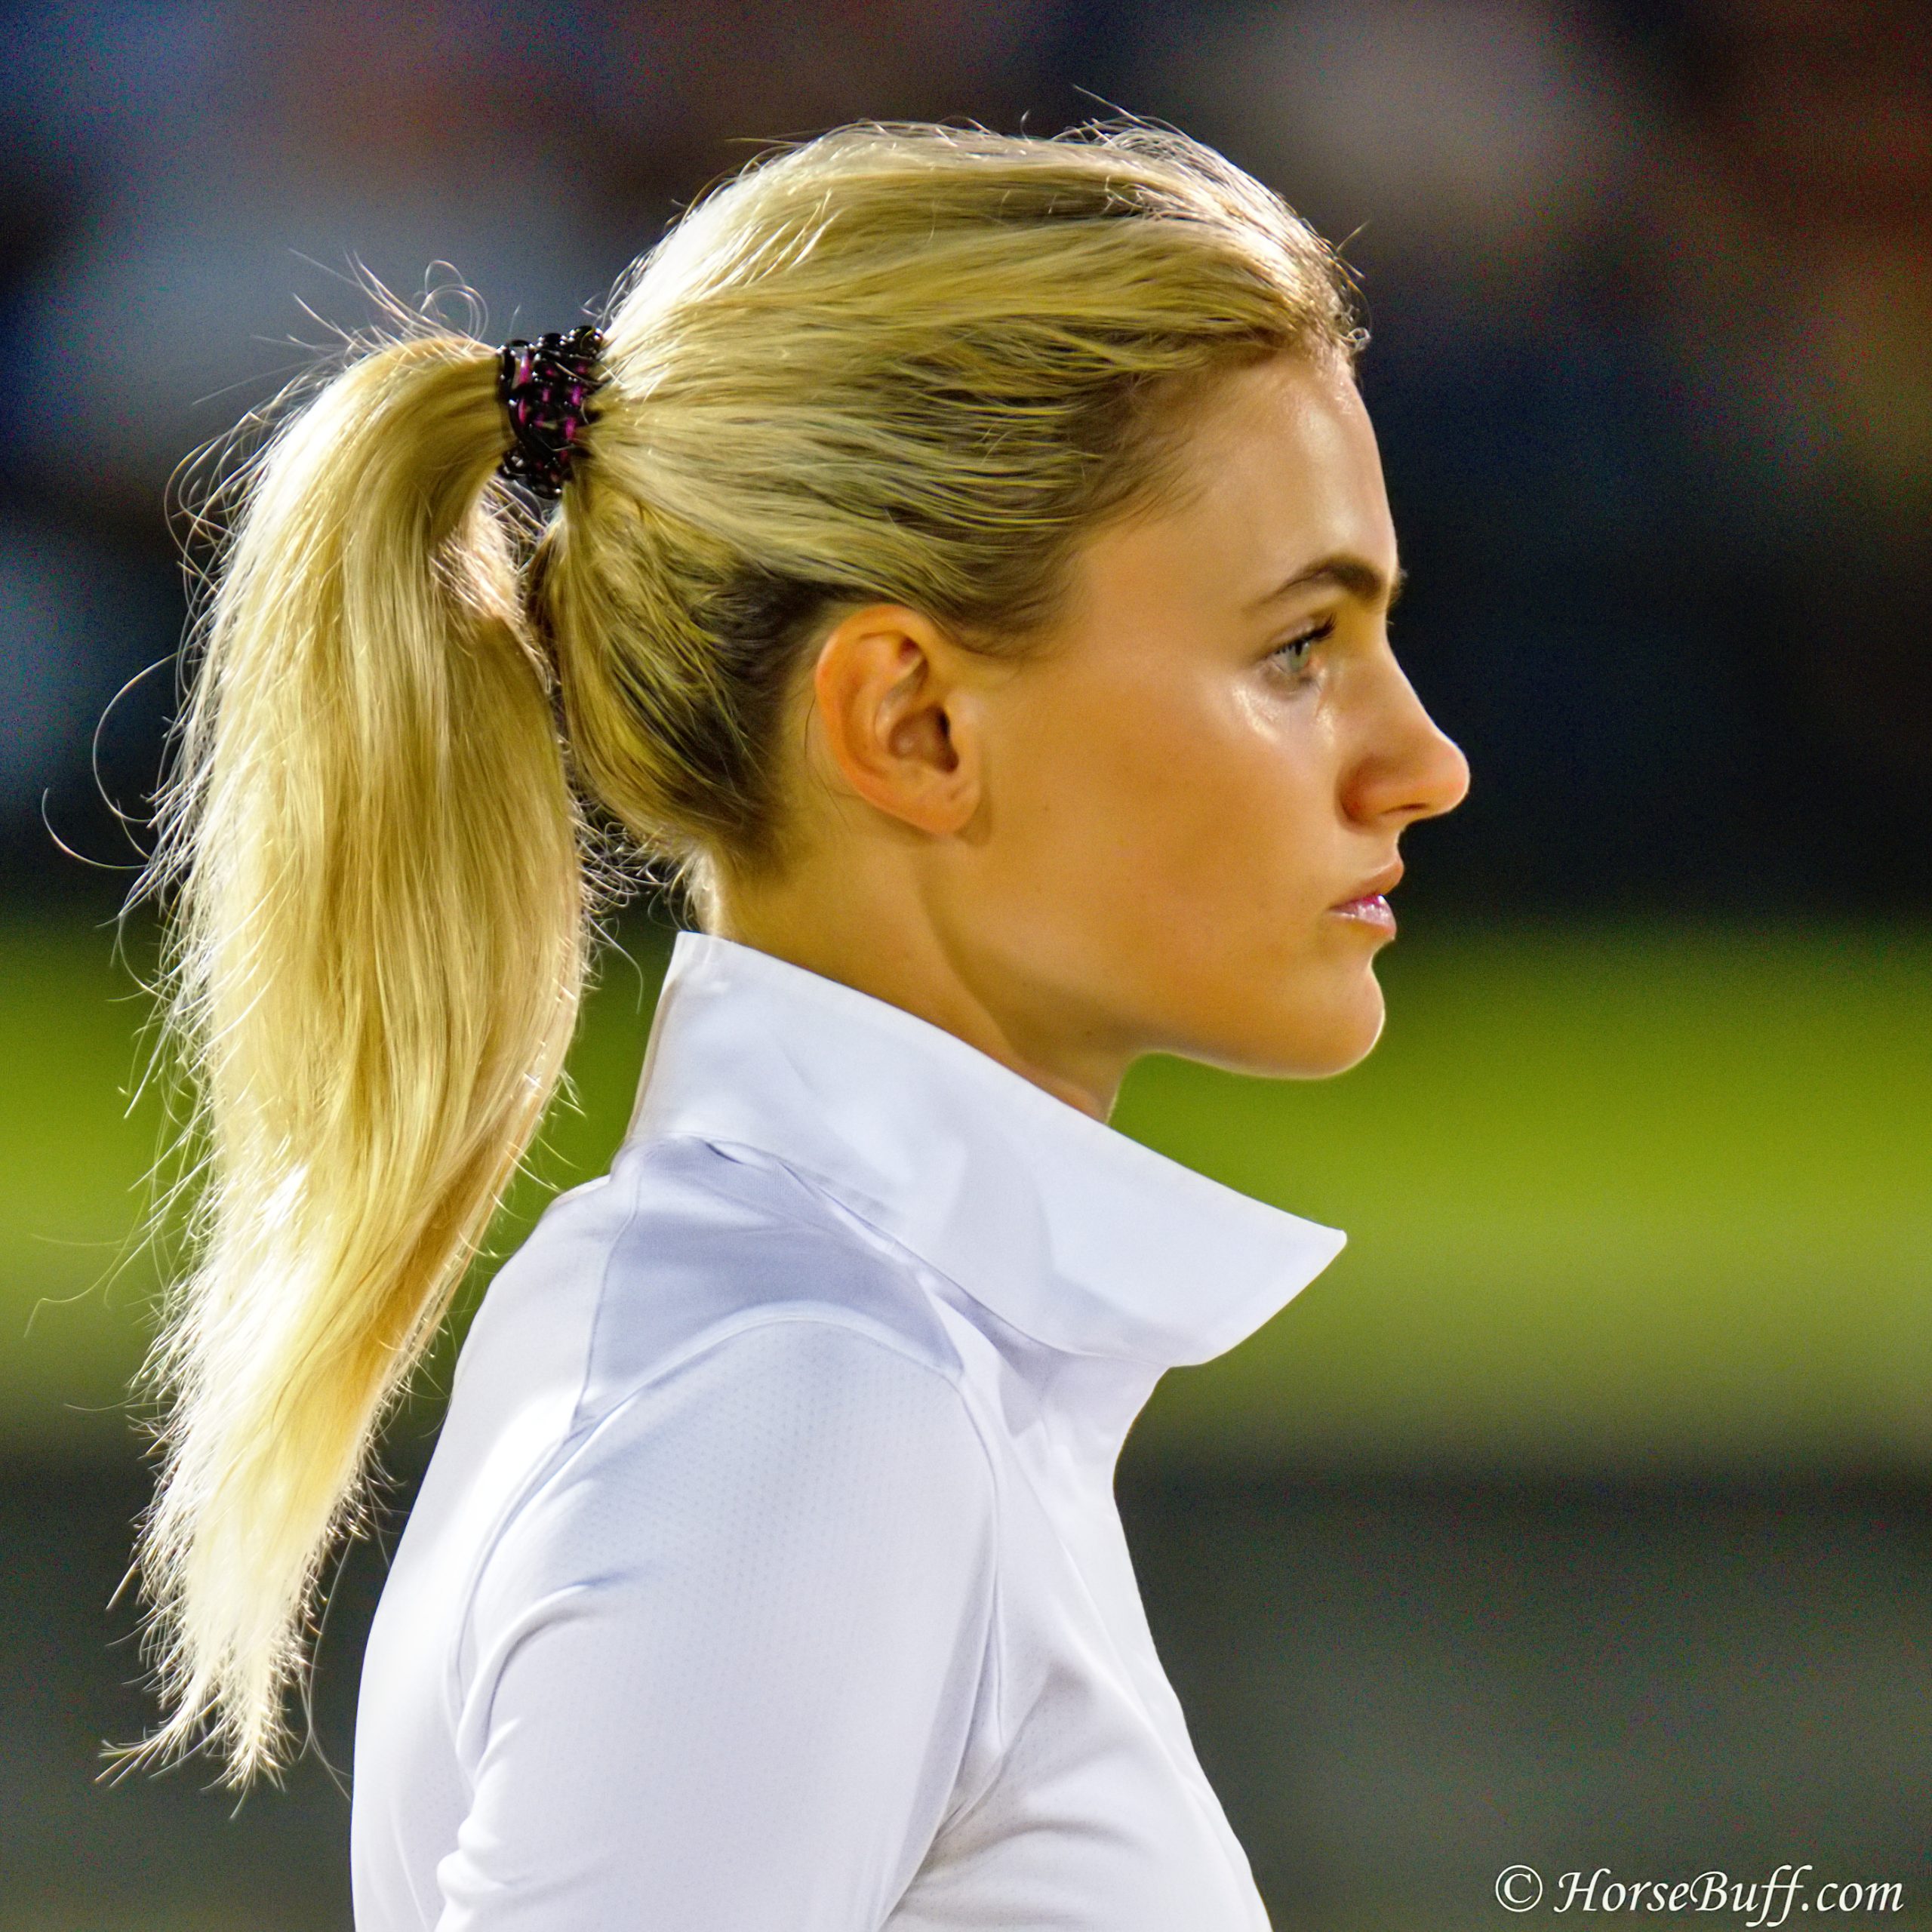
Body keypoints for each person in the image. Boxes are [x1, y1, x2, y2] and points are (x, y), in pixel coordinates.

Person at [122, 121, 1469, 1927]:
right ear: (909, 723)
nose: (1423, 763)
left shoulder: (829, 1353)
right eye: (1297, 645)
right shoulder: (812, 1402)